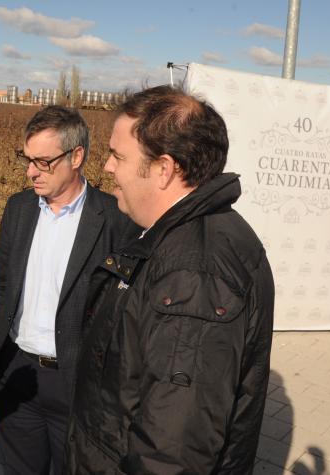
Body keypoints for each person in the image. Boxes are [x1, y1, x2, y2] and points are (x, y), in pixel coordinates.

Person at [65, 85, 274, 474]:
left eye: (117, 155)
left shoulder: (194, 274)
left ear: (164, 169)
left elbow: (173, 450)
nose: (107, 166)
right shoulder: (175, 236)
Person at [0, 105, 133, 474]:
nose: (31, 172)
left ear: (76, 156)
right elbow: (3, 284)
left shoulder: (115, 219)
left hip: (76, 382)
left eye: (43, 162)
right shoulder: (18, 208)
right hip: (17, 374)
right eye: (27, 159)